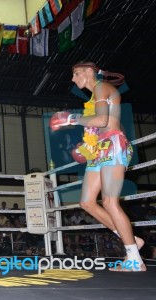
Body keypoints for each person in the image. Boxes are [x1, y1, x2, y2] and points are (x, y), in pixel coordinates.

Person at [50, 60, 146, 272]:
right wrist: (86, 145)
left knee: (110, 202)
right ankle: (131, 240)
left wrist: (70, 119)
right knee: (87, 202)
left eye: (76, 74)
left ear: (88, 72)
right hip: (99, 150)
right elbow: (110, 123)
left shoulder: (102, 87)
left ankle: (134, 259)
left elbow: (102, 120)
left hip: (112, 147)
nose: (73, 79)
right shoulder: (95, 95)